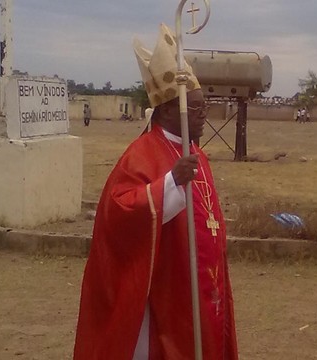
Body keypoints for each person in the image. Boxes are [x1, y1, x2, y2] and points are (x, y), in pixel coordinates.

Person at [73, 24, 238, 360]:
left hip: (204, 283)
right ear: (166, 110)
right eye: (195, 108)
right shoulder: (142, 154)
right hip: (165, 289)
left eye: (205, 106)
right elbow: (118, 215)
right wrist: (168, 185)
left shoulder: (196, 154)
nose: (204, 114)